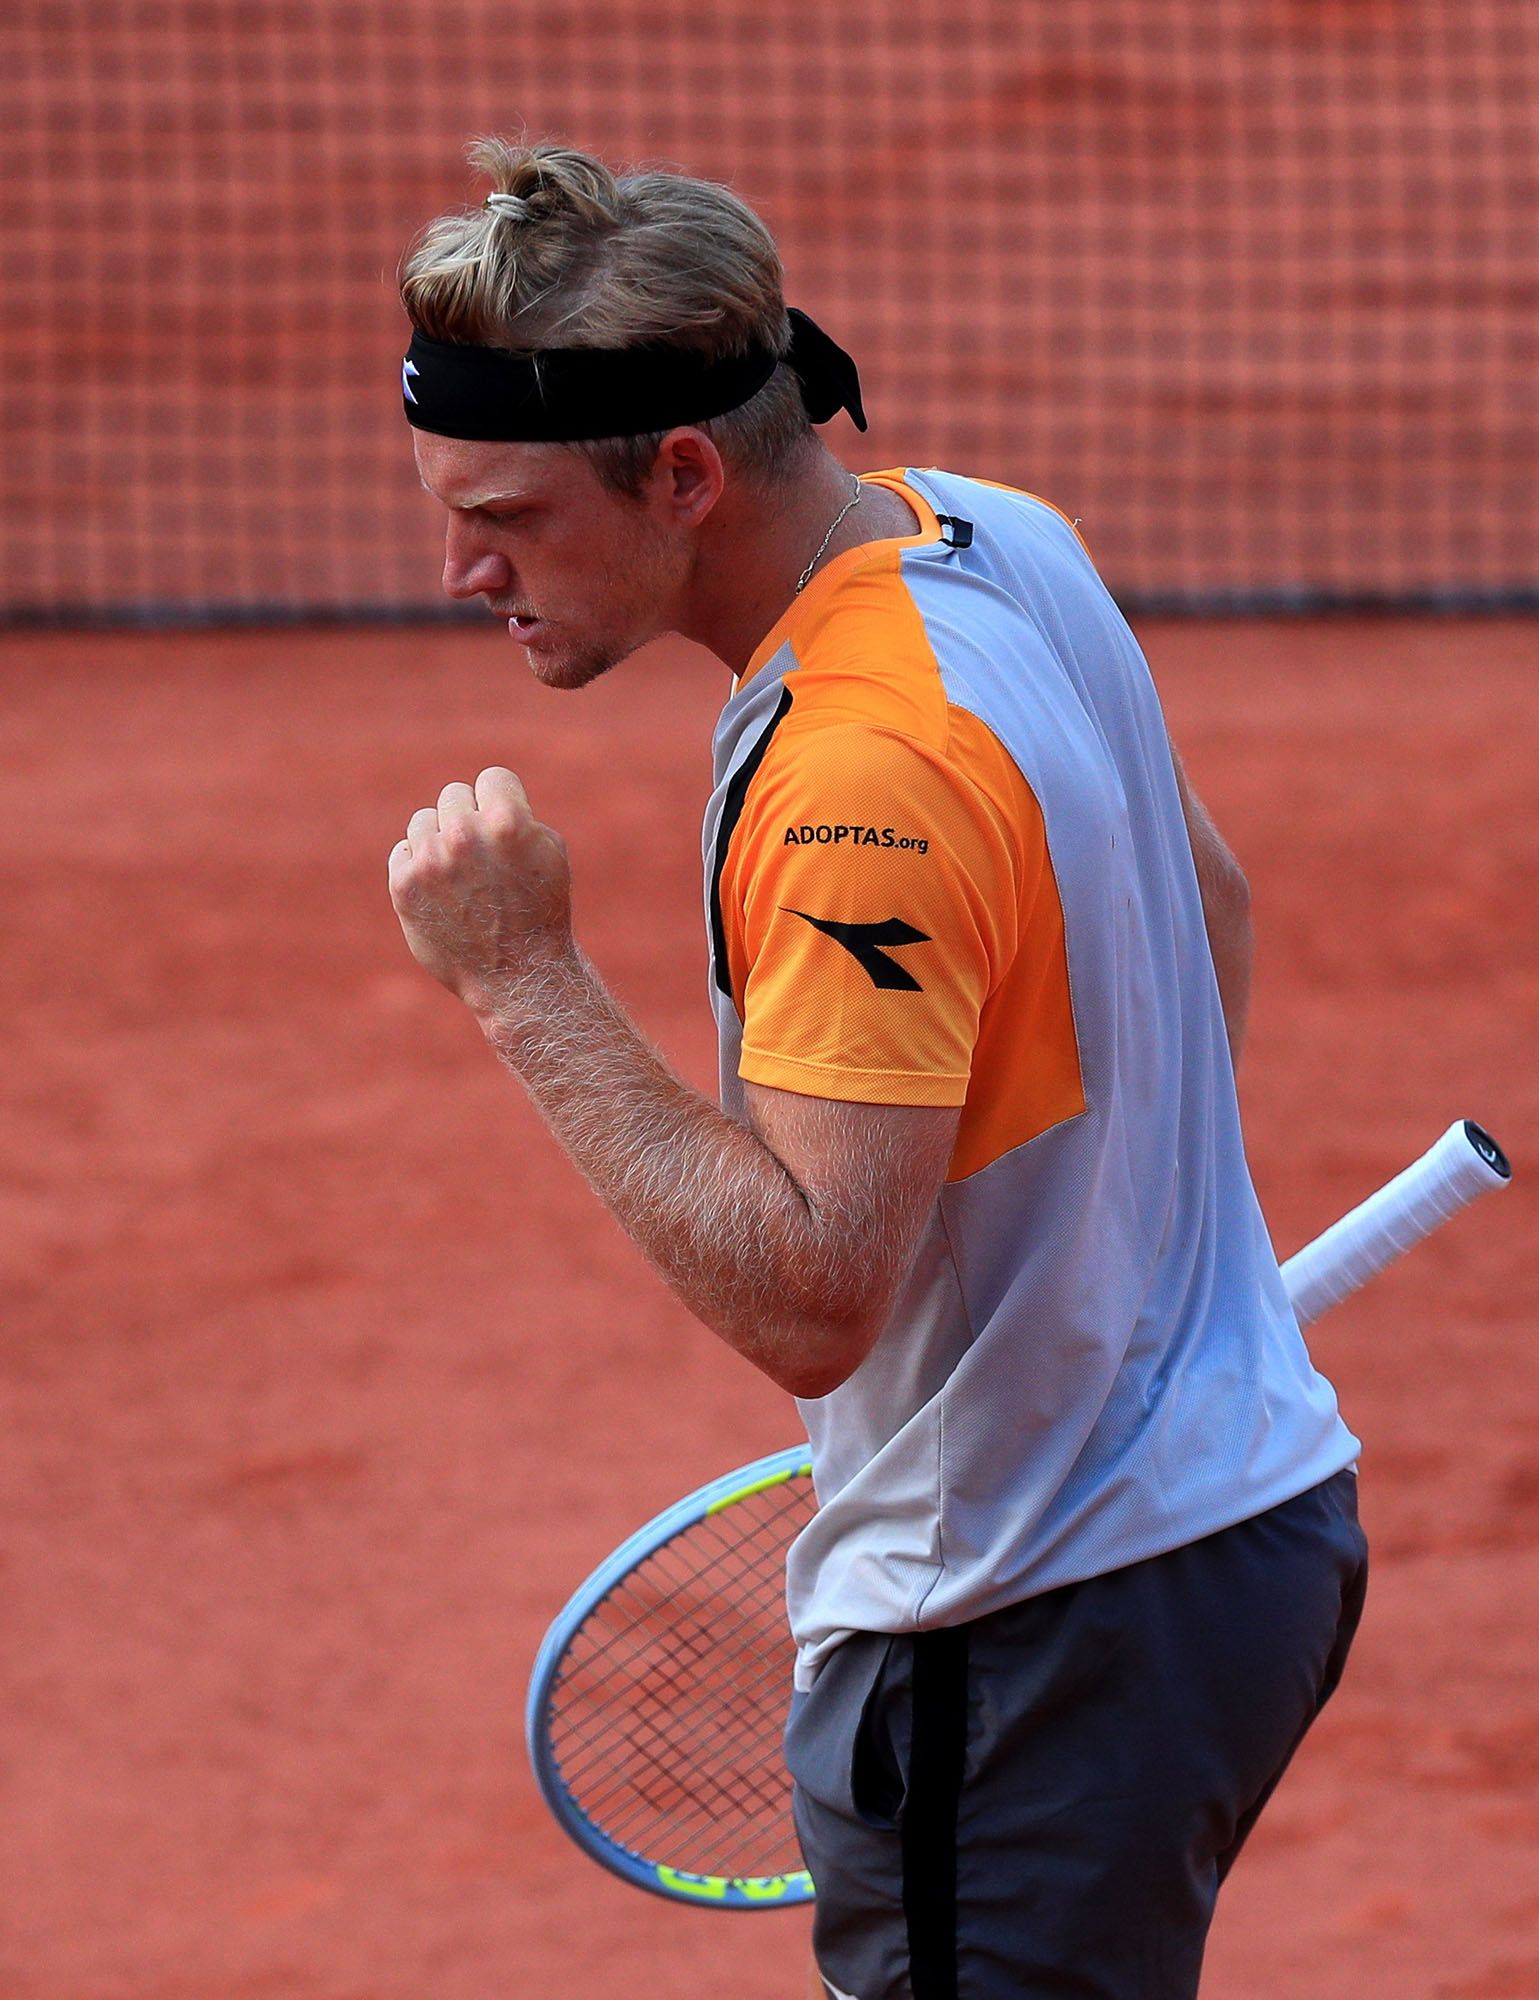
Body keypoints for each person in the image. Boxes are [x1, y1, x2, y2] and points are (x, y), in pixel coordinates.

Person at [388, 137, 1367, 2000]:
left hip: (1026, 1626)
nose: (458, 567)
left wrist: (523, 979)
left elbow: (814, 1300)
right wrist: (1112, 1282)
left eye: (503, 515)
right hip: (1233, 1535)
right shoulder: (995, 534)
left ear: (682, 474)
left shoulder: (856, 782)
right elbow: (1206, 905)